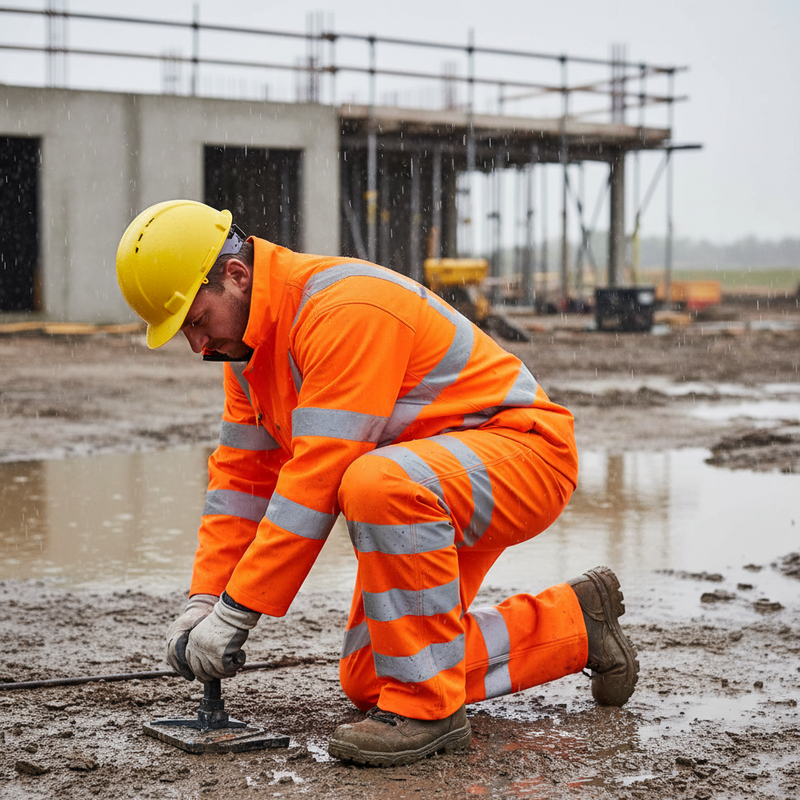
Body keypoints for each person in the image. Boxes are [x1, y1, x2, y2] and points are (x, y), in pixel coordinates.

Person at [116, 199, 639, 767]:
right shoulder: (248, 352)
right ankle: (577, 625)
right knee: (373, 678)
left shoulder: (341, 308)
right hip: (430, 488)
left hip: (522, 457)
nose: (199, 346)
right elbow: (241, 483)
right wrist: (205, 598)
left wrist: (237, 613)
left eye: (196, 322)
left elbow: (315, 479)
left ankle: (430, 711)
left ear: (237, 276)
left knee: (369, 481)